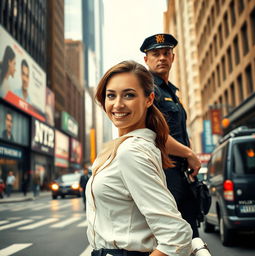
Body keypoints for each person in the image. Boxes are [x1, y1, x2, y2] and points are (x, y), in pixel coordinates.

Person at [86, 60, 192, 256]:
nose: (118, 104)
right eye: (111, 95)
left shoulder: (131, 152)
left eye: (129, 95)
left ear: (149, 99)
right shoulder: (126, 146)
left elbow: (176, 236)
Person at [140, 33, 201, 237]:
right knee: (172, 237)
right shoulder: (150, 90)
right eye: (156, 54)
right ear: (146, 59)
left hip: (180, 174)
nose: (162, 58)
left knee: (189, 234)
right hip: (164, 174)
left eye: (166, 53)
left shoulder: (172, 92)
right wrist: (190, 154)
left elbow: (179, 131)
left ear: (173, 58)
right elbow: (156, 135)